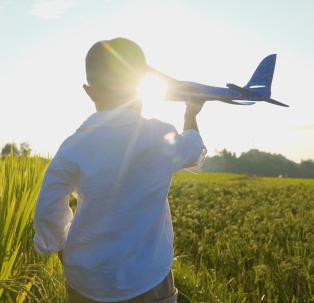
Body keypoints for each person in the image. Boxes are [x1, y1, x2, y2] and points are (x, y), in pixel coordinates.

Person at [33, 38, 206, 303]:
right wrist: (191, 112)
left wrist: (58, 246)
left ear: (89, 92)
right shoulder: (158, 134)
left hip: (86, 283)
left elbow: (48, 204)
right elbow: (193, 149)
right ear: (142, 84)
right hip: (147, 280)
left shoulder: (73, 146)